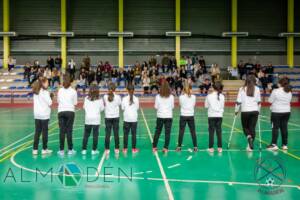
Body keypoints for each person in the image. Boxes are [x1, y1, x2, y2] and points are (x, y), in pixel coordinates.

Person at [235, 75, 261, 151]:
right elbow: (259, 102)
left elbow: (238, 102)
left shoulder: (242, 89)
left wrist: (236, 111)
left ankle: (249, 137)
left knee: (245, 128)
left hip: (245, 111)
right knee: (252, 128)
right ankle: (250, 146)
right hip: (254, 111)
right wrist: (258, 111)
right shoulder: (257, 89)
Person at [267, 77, 292, 151]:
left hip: (276, 112)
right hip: (287, 112)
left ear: (280, 83)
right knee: (284, 128)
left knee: (275, 128)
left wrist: (271, 91)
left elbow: (270, 101)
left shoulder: (275, 91)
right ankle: (285, 145)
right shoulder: (289, 91)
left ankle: (274, 144)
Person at [57, 75, 78, 156]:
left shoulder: (60, 91)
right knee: (69, 131)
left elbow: (58, 101)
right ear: (70, 82)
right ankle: (70, 149)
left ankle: (61, 150)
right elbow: (75, 103)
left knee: (62, 131)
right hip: (70, 112)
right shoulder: (73, 91)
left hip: (61, 111)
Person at [32, 77, 53, 155]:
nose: (48, 84)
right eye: (47, 82)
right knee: (44, 132)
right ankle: (44, 149)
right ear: (43, 83)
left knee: (37, 132)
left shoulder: (36, 92)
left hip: (37, 115)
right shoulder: (44, 92)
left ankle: (35, 149)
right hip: (44, 115)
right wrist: (51, 97)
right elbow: (50, 103)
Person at [82, 84, 104, 155]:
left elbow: (84, 107)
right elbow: (102, 109)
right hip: (96, 120)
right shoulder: (100, 99)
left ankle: (84, 150)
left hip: (88, 119)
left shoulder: (86, 98)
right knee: (95, 135)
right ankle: (94, 150)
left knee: (86, 135)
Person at [152, 81, 174, 153]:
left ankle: (154, 147)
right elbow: (172, 107)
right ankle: (165, 148)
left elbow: (155, 107)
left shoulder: (158, 97)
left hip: (160, 116)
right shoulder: (171, 97)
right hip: (168, 116)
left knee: (157, 132)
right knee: (167, 133)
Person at [176, 83, 198, 152]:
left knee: (181, 131)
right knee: (193, 132)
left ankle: (179, 147)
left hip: (183, 115)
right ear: (190, 89)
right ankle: (195, 147)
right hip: (190, 115)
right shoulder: (193, 97)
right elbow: (193, 105)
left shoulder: (181, 97)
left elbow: (180, 105)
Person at [205, 81, 225, 153]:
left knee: (211, 132)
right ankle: (220, 148)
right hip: (219, 116)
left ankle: (211, 148)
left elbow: (206, 106)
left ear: (213, 88)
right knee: (219, 131)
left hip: (211, 116)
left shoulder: (209, 96)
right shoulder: (222, 96)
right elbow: (222, 107)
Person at [103, 83, 122, 155]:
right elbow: (119, 104)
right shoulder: (118, 97)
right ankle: (117, 148)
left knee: (107, 133)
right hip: (115, 117)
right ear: (115, 89)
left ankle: (107, 149)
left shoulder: (105, 96)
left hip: (108, 117)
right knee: (116, 133)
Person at [121, 85, 140, 153]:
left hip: (126, 119)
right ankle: (134, 149)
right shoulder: (136, 99)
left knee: (125, 134)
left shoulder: (124, 99)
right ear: (134, 90)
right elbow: (137, 108)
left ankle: (125, 149)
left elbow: (122, 108)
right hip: (134, 119)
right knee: (133, 134)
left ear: (127, 90)